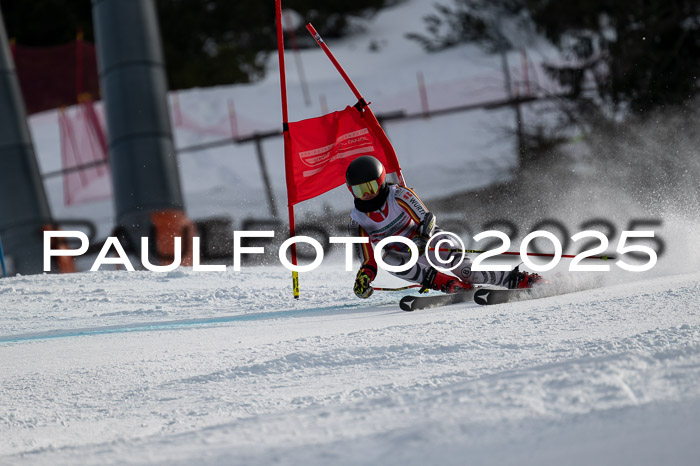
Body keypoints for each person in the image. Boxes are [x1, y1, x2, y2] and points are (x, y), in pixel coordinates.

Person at [346, 155, 542, 299]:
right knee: (386, 258)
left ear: (380, 181)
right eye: (359, 190)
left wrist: (422, 238)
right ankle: (447, 284)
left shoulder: (399, 195)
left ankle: (520, 280)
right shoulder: (357, 221)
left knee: (470, 273)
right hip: (404, 257)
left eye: (370, 187)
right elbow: (368, 260)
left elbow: (428, 219)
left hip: (431, 242)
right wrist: (364, 278)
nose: (366, 195)